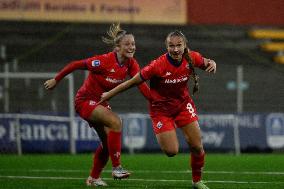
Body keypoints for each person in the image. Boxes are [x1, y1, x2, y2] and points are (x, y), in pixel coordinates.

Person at [100, 30, 216, 189]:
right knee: (171, 151)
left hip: (182, 105)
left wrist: (212, 63)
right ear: (166, 47)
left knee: (197, 146)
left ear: (185, 46)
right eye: (171, 46)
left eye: (179, 45)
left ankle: (197, 181)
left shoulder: (192, 57)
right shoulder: (157, 65)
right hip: (161, 110)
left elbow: (206, 62)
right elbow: (131, 82)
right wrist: (108, 94)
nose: (175, 49)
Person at [44, 23, 151, 187]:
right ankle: (117, 168)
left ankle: (93, 178)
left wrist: (154, 101)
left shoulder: (131, 64)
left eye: (133, 44)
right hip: (84, 101)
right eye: (127, 44)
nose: (132, 47)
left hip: (100, 102)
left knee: (108, 144)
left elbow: (141, 84)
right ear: (117, 47)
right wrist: (56, 80)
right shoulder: (103, 61)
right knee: (116, 122)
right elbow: (75, 64)